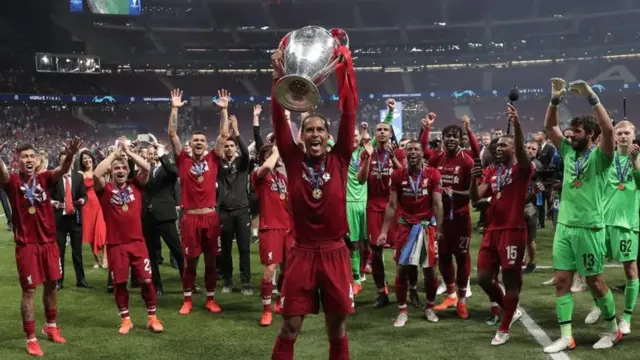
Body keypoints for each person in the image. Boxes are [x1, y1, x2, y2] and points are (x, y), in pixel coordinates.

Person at [270, 42, 356, 360]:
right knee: (290, 328)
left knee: (337, 331)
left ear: (328, 135)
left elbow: (349, 112)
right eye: (310, 129)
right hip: (302, 253)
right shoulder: (293, 161)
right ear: (302, 135)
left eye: (321, 129)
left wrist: (347, 71)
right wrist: (277, 78)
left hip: (335, 251)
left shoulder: (341, 158)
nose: (316, 134)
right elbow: (279, 120)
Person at [543, 78, 620, 352]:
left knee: (596, 283)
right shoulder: (567, 151)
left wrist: (591, 95)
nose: (569, 135)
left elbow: (609, 129)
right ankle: (566, 336)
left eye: (576, 131)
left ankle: (613, 330)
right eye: (570, 131)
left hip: (590, 228)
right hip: (565, 226)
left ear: (590, 135)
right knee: (562, 281)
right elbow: (549, 126)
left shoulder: (602, 157)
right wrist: (554, 99)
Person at [2, 138, 81, 356]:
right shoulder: (14, 182)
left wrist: (71, 155)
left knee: (52, 285)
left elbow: (62, 169)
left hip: (49, 242)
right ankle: (31, 338)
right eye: (24, 157)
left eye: (31, 156)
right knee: (29, 291)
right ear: (17, 161)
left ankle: (51, 327)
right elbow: (3, 174)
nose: (28, 160)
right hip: (27, 245)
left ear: (37, 161)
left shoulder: (45, 178)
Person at [470, 104, 532, 345]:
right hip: (492, 230)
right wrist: (475, 180)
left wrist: (516, 123)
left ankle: (504, 328)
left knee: (511, 280)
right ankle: (510, 308)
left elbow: (522, 150)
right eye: (495, 146)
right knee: (484, 278)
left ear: (514, 148)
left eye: (503, 145)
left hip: (513, 231)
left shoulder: (522, 169)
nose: (497, 148)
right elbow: (476, 198)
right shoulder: (491, 172)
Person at [168, 88, 229, 315]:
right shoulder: (182, 159)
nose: (200, 142)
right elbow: (172, 134)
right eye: (195, 140)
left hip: (210, 216)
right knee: (190, 262)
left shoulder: (214, 158)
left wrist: (224, 110)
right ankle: (187, 300)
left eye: (203, 140)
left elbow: (223, 136)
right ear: (190, 144)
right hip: (190, 217)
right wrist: (174, 108)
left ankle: (211, 299)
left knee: (212, 262)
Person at [93, 139, 163, 334]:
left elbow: (147, 167)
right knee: (120, 283)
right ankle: (126, 319)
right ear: (112, 171)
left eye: (124, 168)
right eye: (117, 168)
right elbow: (97, 173)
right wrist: (115, 155)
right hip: (116, 245)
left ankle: (152, 317)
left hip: (137, 242)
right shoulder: (104, 189)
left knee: (147, 281)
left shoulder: (136, 186)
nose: (121, 171)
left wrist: (128, 153)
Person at [377, 140, 444, 327]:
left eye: (416, 149)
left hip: (426, 228)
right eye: (409, 150)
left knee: (430, 271)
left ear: (422, 153)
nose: (413, 152)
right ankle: (402, 310)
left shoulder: (433, 174)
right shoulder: (397, 175)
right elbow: (391, 205)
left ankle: (429, 307)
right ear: (405, 154)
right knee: (402, 269)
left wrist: (439, 229)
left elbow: (438, 203)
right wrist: (383, 232)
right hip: (406, 228)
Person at [582, 120, 640, 334]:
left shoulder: (639, 158)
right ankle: (598, 305)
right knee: (591, 268)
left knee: (631, 269)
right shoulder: (606, 159)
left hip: (626, 223)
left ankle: (626, 318)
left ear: (633, 136)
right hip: (601, 221)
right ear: (614, 137)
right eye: (620, 133)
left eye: (627, 133)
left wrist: (634, 162)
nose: (623, 136)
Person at [421, 114, 477, 318]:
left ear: (460, 139)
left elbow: (473, 193)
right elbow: (423, 152)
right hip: (440, 218)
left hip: (460, 217)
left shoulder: (467, 161)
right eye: (448, 136)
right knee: (443, 256)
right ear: (443, 139)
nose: (451, 139)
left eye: (455, 136)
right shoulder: (437, 157)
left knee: (462, 257)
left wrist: (453, 193)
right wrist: (426, 128)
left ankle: (462, 299)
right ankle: (451, 294)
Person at [357, 105, 403, 308]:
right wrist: (366, 157)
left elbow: (406, 175)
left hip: (395, 208)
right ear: (375, 134)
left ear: (391, 133)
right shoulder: (367, 154)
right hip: (374, 208)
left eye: (386, 129)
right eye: (379, 130)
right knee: (376, 251)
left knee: (403, 252)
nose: (382, 132)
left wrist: (393, 158)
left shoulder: (400, 153)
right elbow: (360, 180)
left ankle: (406, 291)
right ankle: (381, 292)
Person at [252, 144, 293, 327]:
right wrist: (276, 151)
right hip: (270, 229)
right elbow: (268, 166)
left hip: (287, 229)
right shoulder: (258, 174)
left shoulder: (282, 178)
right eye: (273, 154)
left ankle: (279, 302)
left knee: (287, 269)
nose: (278, 157)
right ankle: (266, 311)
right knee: (270, 270)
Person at [142, 139, 184, 296]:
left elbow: (175, 173)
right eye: (151, 153)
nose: (152, 155)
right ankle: (157, 286)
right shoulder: (147, 170)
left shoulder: (168, 167)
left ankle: (188, 282)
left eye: (155, 152)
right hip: (148, 216)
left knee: (177, 250)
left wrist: (162, 154)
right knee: (151, 254)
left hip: (165, 215)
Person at [218, 114, 253, 295]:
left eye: (232, 146)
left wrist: (236, 131)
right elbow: (217, 146)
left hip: (241, 211)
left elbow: (246, 152)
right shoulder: (218, 164)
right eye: (227, 146)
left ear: (236, 148)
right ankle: (228, 281)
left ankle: (246, 282)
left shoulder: (242, 163)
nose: (229, 148)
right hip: (224, 212)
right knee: (225, 249)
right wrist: (225, 131)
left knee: (244, 248)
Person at [50, 151, 90, 290]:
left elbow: (84, 195)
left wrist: (82, 200)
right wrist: (53, 202)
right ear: (60, 163)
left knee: (77, 251)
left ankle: (81, 279)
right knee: (59, 251)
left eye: (69, 160)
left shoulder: (78, 177)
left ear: (72, 162)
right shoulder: (55, 178)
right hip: (60, 219)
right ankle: (59, 281)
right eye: (63, 161)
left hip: (75, 218)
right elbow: (47, 197)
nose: (66, 163)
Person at [78, 149, 107, 269]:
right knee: (90, 232)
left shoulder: (98, 171)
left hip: (100, 202)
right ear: (82, 162)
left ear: (92, 158)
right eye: (84, 158)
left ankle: (105, 258)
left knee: (102, 230)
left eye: (88, 157)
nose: (87, 160)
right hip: (87, 205)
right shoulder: (80, 174)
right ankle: (96, 259)